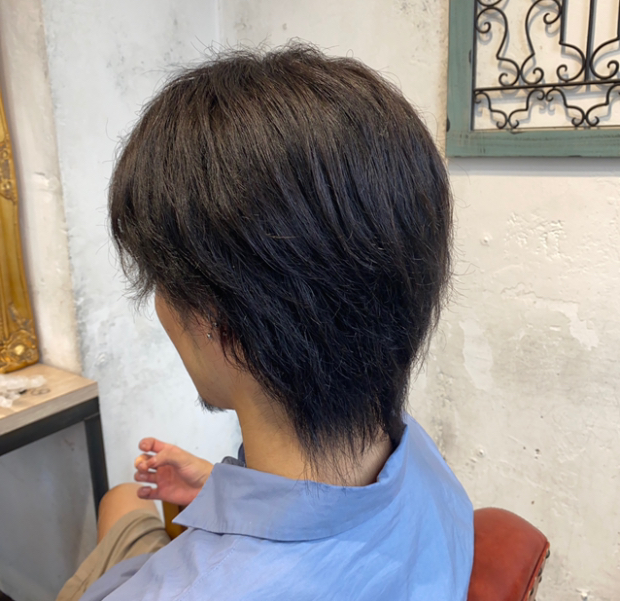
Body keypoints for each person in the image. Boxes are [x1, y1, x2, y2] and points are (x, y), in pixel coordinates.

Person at [57, 43, 473, 601]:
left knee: (120, 500)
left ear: (215, 319)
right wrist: (221, 487)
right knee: (124, 500)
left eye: (161, 279)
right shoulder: (421, 462)